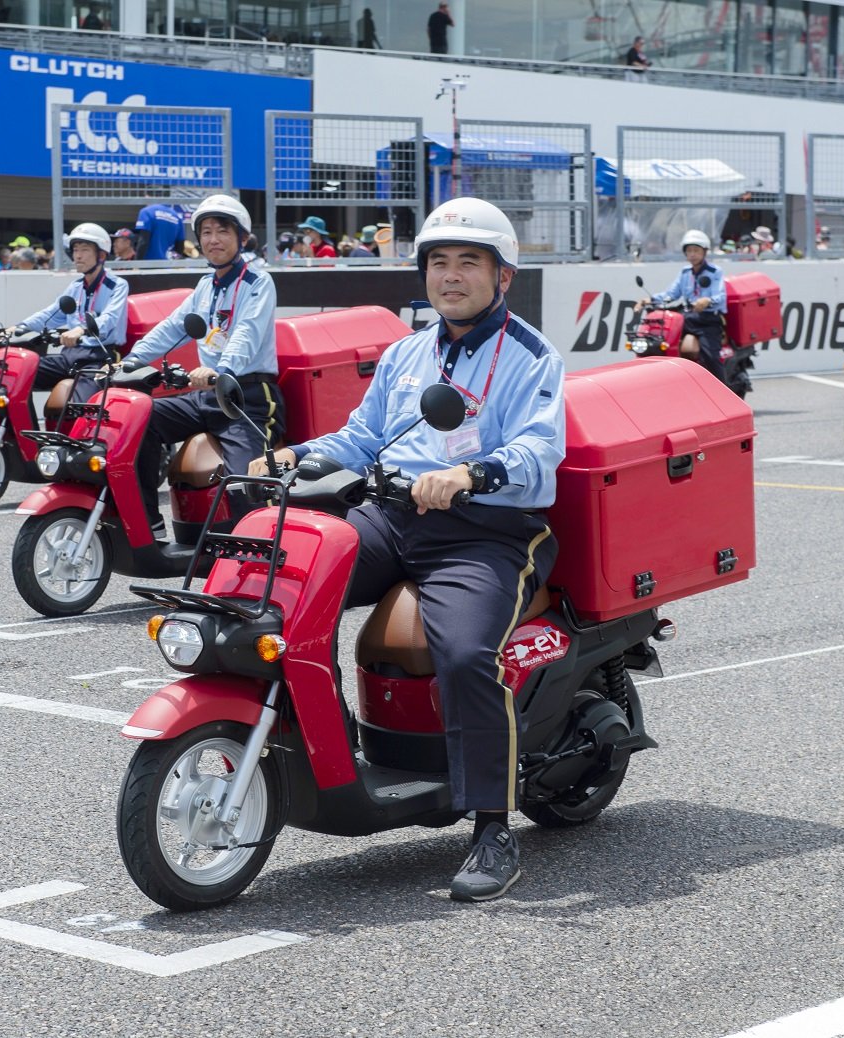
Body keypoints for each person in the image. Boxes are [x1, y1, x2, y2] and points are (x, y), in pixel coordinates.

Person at [250, 197, 566, 902]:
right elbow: (360, 439)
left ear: (502, 275)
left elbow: (541, 450)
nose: (450, 277)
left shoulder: (530, 356)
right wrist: (290, 456)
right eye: (439, 263)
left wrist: (469, 473)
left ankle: (491, 826)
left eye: (468, 263)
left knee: (462, 655)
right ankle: (331, 745)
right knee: (289, 591)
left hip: (487, 531)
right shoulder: (406, 352)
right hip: (392, 517)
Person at [123, 194, 283, 540]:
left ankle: (260, 559)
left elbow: (246, 334)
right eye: (206, 232)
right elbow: (173, 326)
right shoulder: (205, 286)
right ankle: (148, 523)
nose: (213, 239)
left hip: (247, 397)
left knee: (246, 483)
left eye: (222, 231)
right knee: (139, 421)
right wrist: (130, 362)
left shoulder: (257, 282)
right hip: (207, 396)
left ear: (241, 237)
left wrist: (221, 369)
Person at [9, 222, 129, 405]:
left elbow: (109, 319)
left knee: (79, 408)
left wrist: (81, 330)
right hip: (68, 356)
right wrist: (20, 327)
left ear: (102, 255)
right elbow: (50, 314)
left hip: (98, 358)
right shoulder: (75, 287)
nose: (78, 255)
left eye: (85, 249)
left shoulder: (117, 285)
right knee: (14, 373)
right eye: (75, 249)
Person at [640, 229, 728, 383]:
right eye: (689, 251)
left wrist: (707, 300)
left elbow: (720, 296)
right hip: (687, 318)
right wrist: (650, 299)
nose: (692, 254)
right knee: (662, 342)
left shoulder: (715, 272)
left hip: (708, 320)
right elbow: (672, 294)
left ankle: (725, 393)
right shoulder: (685, 272)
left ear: (704, 252)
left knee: (711, 356)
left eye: (696, 250)